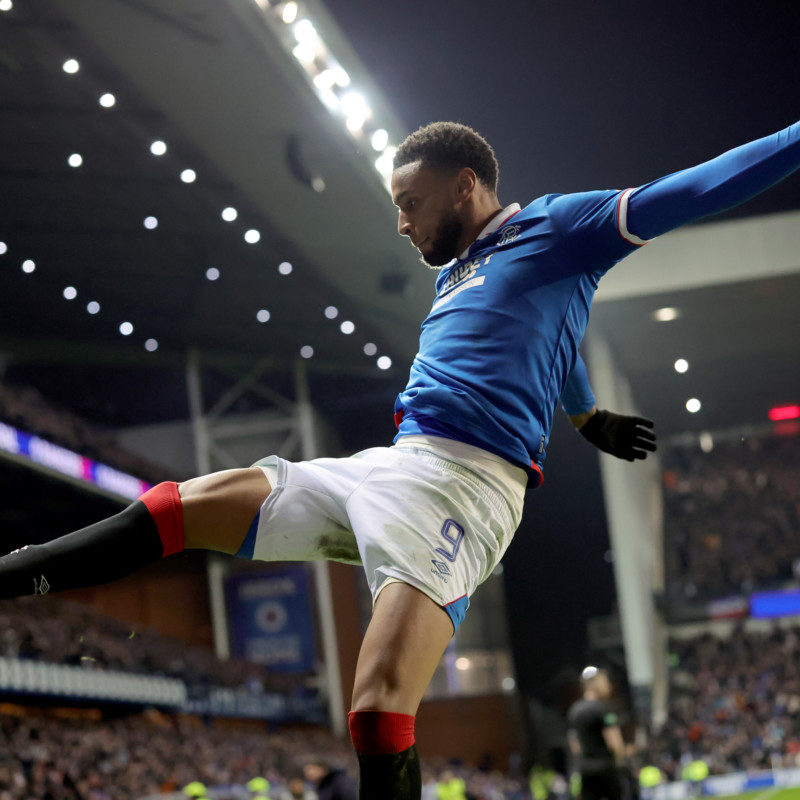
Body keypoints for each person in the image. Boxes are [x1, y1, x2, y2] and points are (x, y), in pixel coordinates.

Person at [0, 115, 798, 799]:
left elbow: (699, 187)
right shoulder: (461, 274)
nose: (401, 223)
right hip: (393, 462)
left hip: (467, 488)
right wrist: (586, 413)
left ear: (464, 186)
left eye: (410, 203)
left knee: (378, 710)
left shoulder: (560, 228)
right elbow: (550, 336)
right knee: (178, 505)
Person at [567, 667, 627, 800]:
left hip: (586, 770)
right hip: (605, 768)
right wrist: (621, 761)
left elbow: (575, 746)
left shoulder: (574, 711)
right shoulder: (603, 710)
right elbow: (614, 742)